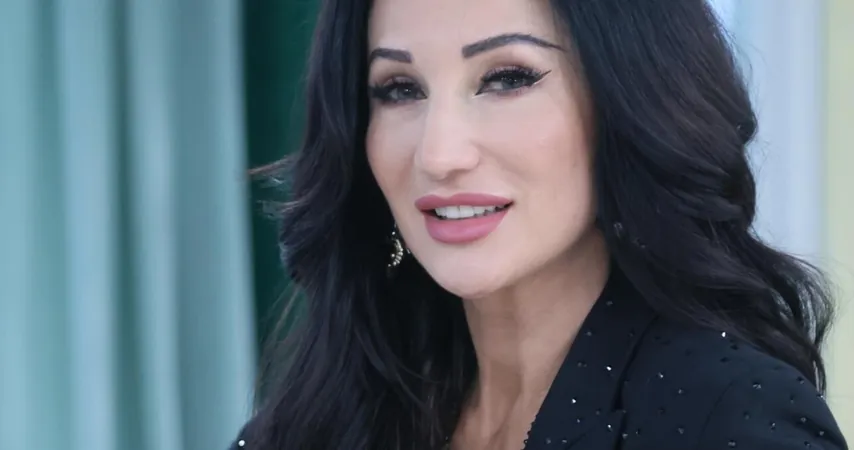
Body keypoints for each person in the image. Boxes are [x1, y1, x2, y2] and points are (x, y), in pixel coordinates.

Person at [230, 0, 849, 449]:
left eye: (507, 79)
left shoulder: (729, 416)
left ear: (628, 99)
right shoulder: (318, 416)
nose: (439, 154)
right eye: (399, 89)